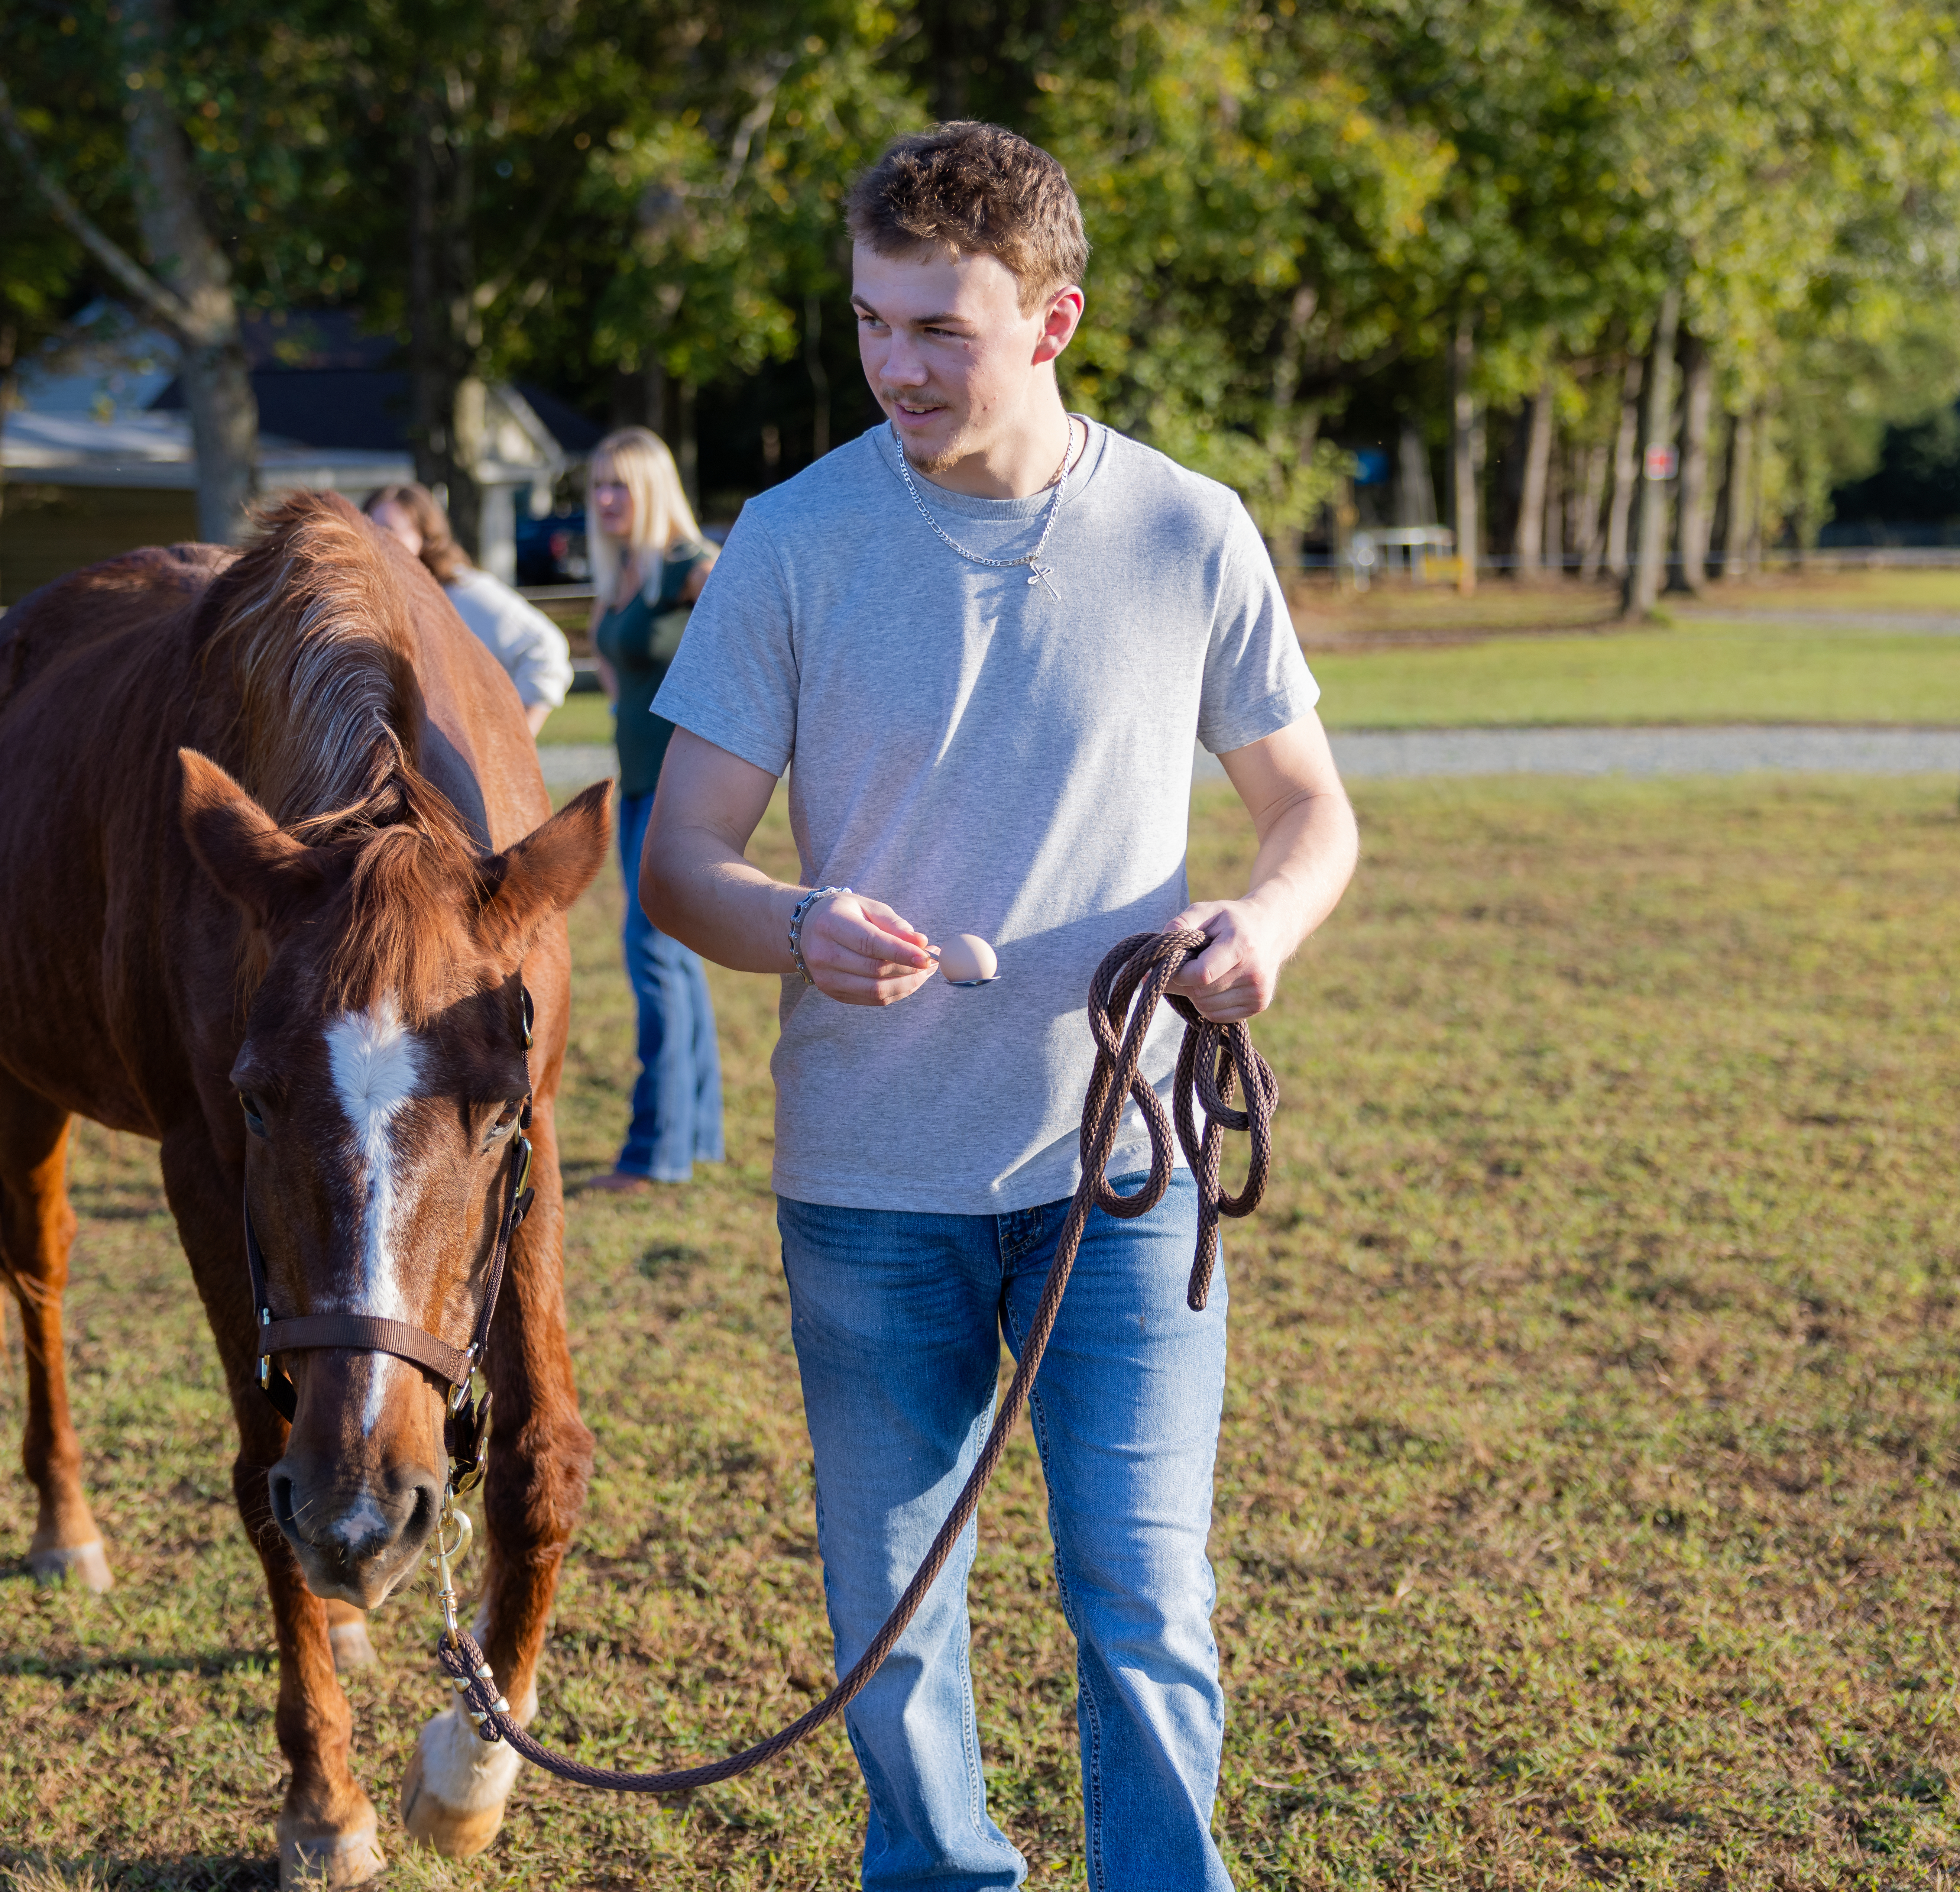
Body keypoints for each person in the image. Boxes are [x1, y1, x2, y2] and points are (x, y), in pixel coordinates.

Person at [640, 123, 1359, 1890]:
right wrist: (796, 922)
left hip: (1122, 1169)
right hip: (870, 1181)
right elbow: (678, 862)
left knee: (1145, 1599)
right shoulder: (792, 540)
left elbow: (1311, 811)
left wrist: (1257, 927)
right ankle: (946, 1869)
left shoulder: (1189, 530)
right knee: (888, 1620)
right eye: (874, 323)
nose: (894, 365)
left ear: (1051, 321)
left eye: (937, 331)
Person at [584, 425, 725, 1194]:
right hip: (635, 784)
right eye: (598, 485)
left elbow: (762, 639)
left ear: (653, 490)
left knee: (653, 956)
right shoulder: (625, 571)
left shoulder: (688, 566)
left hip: (680, 789)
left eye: (621, 485)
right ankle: (695, 1135)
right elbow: (615, 666)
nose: (605, 499)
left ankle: (655, 1150)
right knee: (674, 960)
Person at [362, 482, 573, 733]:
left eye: (390, 530)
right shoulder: (375, 603)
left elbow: (546, 648)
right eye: (369, 529)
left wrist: (516, 742)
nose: (378, 540)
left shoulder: (462, 592)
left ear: (426, 537)